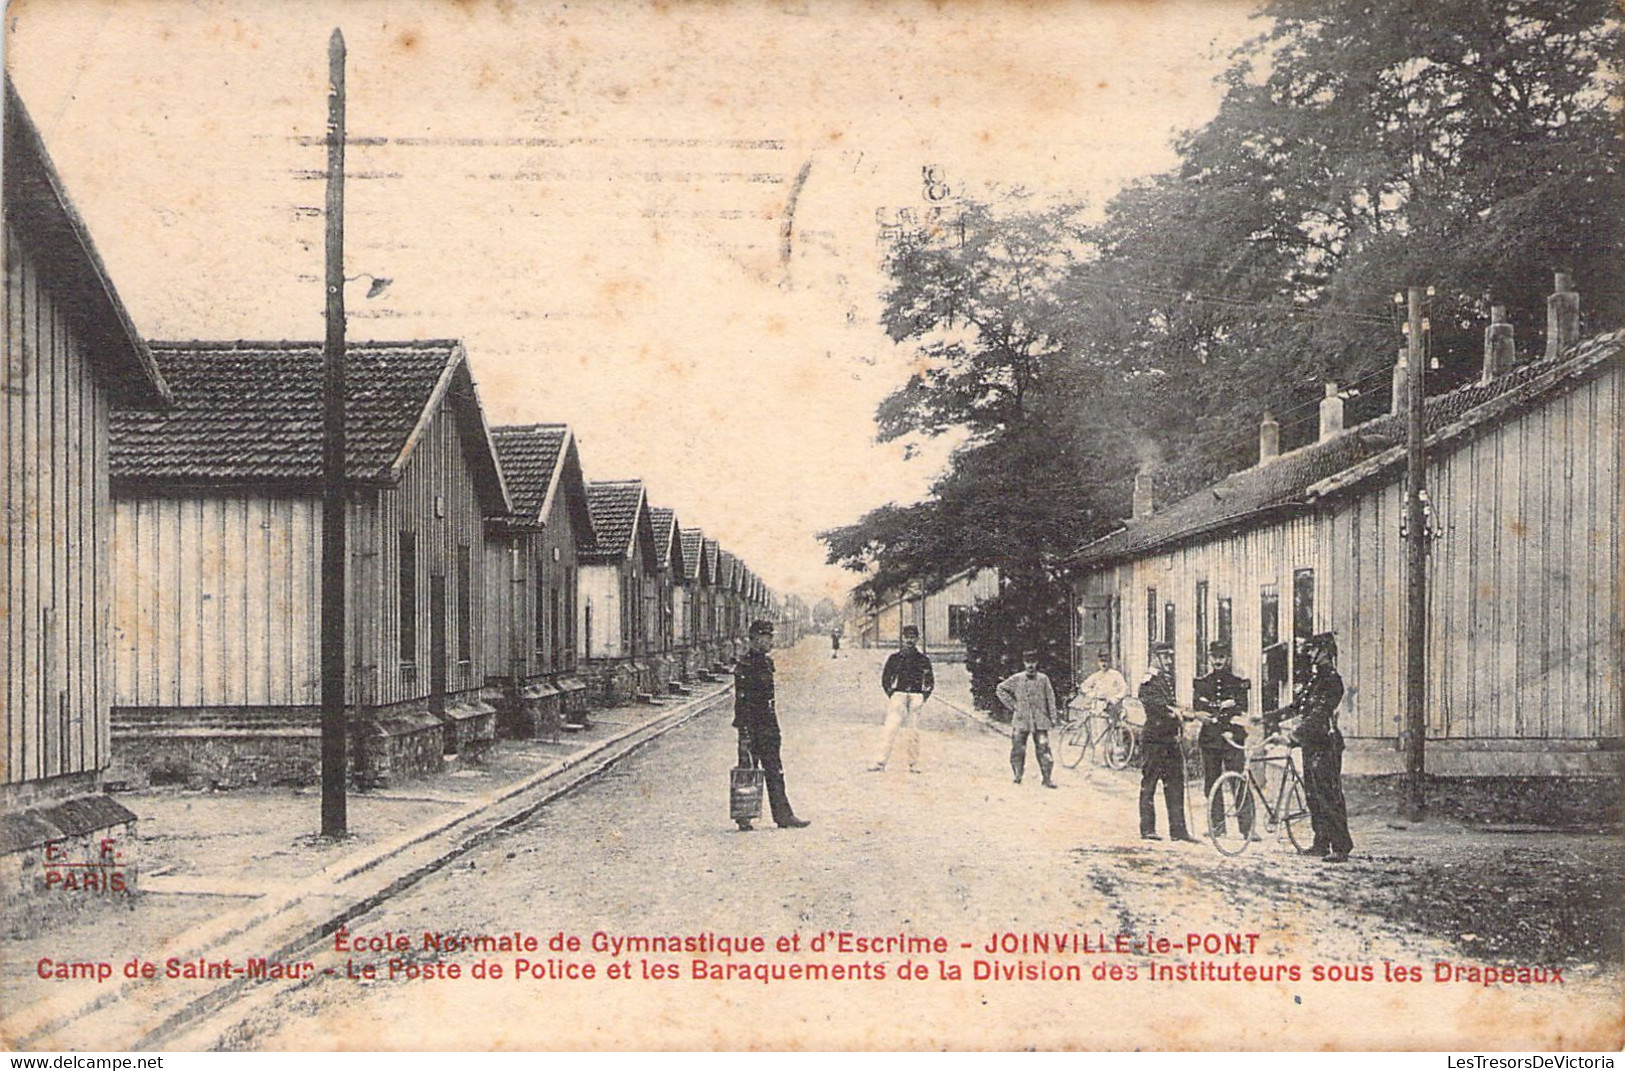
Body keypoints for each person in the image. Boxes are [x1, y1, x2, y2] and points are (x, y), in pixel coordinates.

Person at [733, 619, 811, 831]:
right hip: (751, 726)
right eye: (766, 637)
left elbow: (769, 699)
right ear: (755, 639)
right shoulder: (744, 666)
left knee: (775, 770)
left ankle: (784, 816)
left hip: (768, 725)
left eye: (770, 637)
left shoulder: (767, 664)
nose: (770, 641)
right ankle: (744, 816)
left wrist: (774, 728)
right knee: (748, 770)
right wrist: (745, 732)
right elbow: (741, 702)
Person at [1284, 632, 1351, 862]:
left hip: (1326, 744)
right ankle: (1321, 842)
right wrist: (1267, 719)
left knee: (1328, 794)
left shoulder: (1332, 681)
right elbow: (1297, 707)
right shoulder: (1314, 680)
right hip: (1311, 744)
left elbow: (1319, 714)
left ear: (1325, 652)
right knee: (1312, 794)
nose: (1309, 654)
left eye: (1314, 650)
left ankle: (1341, 847)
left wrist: (1296, 734)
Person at [1138, 642, 1199, 843]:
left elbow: (1171, 706)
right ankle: (1147, 829)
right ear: (1155, 657)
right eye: (1165, 657)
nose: (1169, 661)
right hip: (1155, 739)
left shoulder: (1166, 679)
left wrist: (1183, 714)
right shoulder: (1148, 680)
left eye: (1169, 657)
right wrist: (1176, 713)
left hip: (1170, 739)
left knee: (1175, 783)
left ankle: (1178, 830)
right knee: (1150, 783)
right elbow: (1155, 706)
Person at [1193, 641, 1252, 835]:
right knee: (1212, 782)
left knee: (1238, 780)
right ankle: (1217, 826)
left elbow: (1242, 709)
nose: (1217, 661)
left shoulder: (1238, 683)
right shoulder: (1202, 683)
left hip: (1232, 738)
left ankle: (1247, 827)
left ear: (1227, 658)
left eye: (1221, 657)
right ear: (1209, 658)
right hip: (1210, 739)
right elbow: (1199, 708)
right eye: (1214, 657)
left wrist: (1230, 721)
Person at [871, 624, 934, 773]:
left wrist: (923, 697)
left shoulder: (923, 659)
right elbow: (885, 679)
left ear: (917, 639)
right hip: (899, 694)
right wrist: (891, 693)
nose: (909, 640)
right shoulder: (895, 658)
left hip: (916, 695)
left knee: (913, 731)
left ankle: (914, 764)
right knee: (890, 728)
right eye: (907, 637)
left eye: (913, 637)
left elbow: (930, 681)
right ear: (902, 638)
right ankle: (880, 762)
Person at [996, 650, 1059, 788]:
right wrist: (1013, 705)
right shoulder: (1017, 679)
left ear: (1037, 663)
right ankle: (1018, 775)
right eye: (1028, 662)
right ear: (1024, 663)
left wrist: (1053, 717)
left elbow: (1050, 698)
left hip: (1040, 721)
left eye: (1033, 662)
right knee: (1018, 748)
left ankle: (1047, 778)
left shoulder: (1043, 679)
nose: (1031, 665)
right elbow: (1000, 689)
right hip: (1021, 720)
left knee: (1044, 748)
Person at [1077, 648, 1129, 717]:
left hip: (1112, 705)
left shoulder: (1116, 675)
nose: (1104, 664)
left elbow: (1124, 688)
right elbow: (1084, 686)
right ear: (1098, 663)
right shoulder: (1096, 675)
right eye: (1101, 661)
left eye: (1106, 661)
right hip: (1098, 705)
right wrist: (1092, 694)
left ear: (1110, 662)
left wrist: (1116, 698)